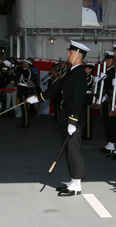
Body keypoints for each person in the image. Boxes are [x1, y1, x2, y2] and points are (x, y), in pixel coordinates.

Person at [27, 41, 88, 197]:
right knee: (69, 149)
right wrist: (38, 98)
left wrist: (73, 121)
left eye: (71, 52)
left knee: (74, 151)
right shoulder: (72, 71)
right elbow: (56, 87)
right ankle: (73, 181)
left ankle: (77, 184)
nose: (68, 54)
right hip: (66, 113)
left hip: (72, 116)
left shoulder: (80, 73)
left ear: (78, 56)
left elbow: (78, 99)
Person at [16, 59, 36, 128]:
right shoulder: (24, 71)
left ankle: (26, 124)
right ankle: (23, 123)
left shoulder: (27, 71)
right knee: (22, 108)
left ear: (27, 65)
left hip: (24, 90)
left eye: (24, 64)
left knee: (24, 108)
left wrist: (12, 66)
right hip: (21, 89)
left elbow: (20, 70)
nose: (22, 65)